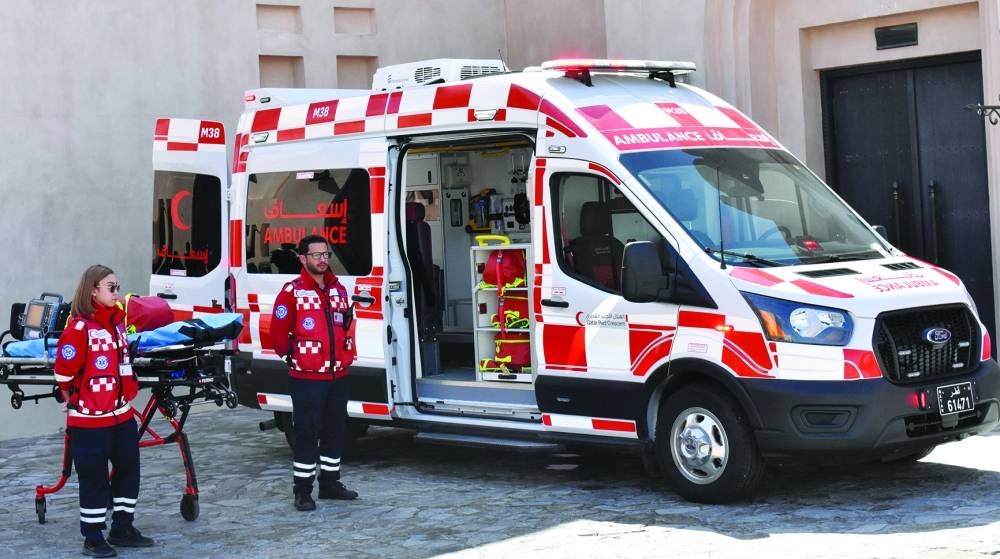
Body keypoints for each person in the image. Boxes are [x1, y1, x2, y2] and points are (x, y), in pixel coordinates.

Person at [53, 265, 155, 557]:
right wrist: (76, 398)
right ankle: (94, 536)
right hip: (89, 421)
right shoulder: (80, 327)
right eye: (111, 287)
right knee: (94, 477)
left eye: (117, 287)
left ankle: (122, 527)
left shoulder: (117, 324)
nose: (117, 293)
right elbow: (63, 372)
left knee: (129, 470)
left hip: (121, 415)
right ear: (93, 290)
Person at [269, 235, 359, 511]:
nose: (322, 259)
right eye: (316, 255)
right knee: (306, 433)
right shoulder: (291, 292)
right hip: (307, 379)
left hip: (337, 376)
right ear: (303, 258)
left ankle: (330, 483)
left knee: (335, 431)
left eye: (326, 254)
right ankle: (303, 490)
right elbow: (277, 334)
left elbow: (345, 324)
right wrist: (294, 359)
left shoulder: (338, 289)